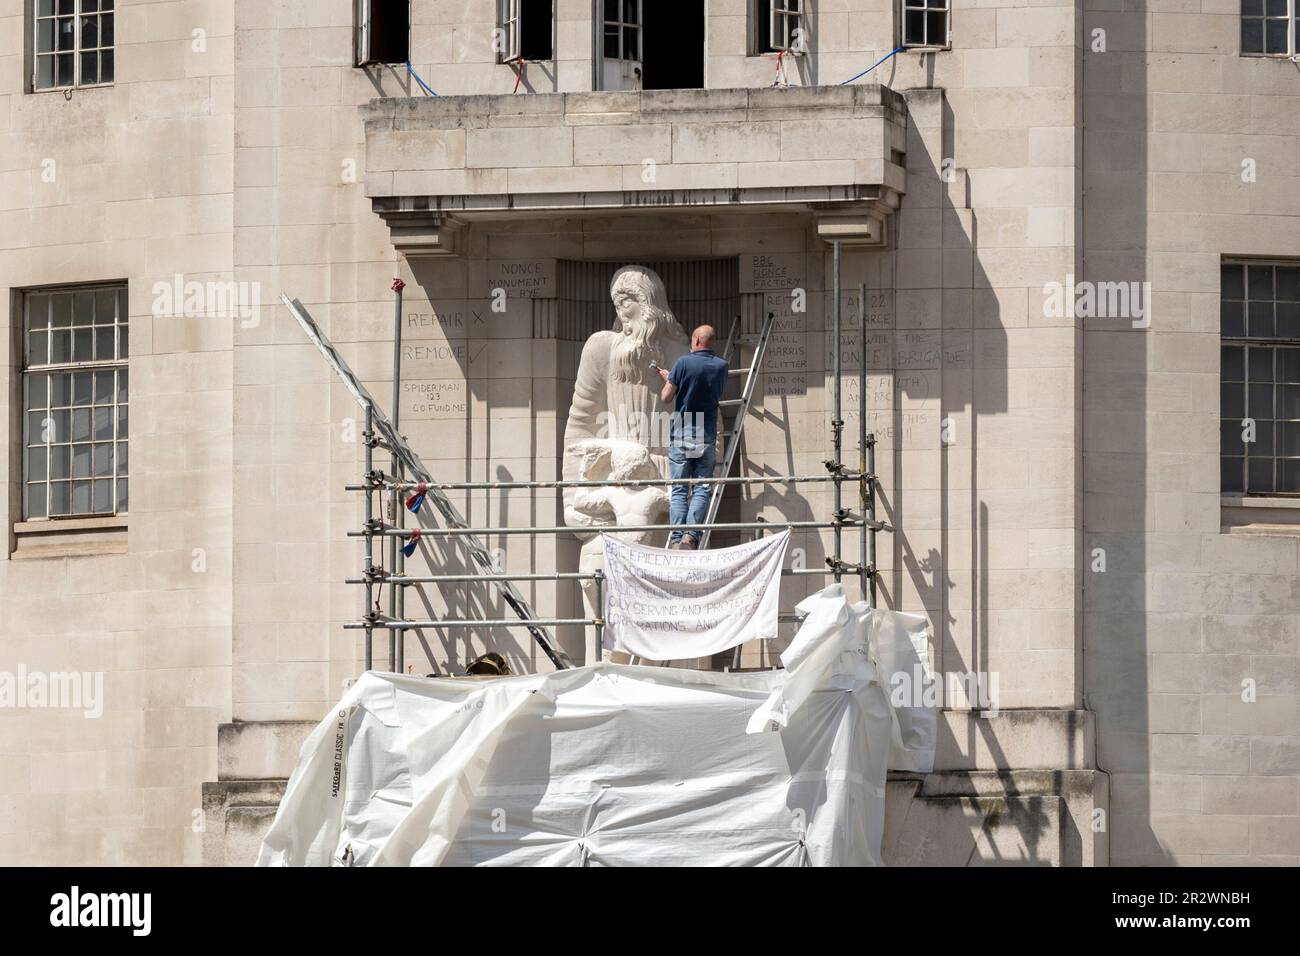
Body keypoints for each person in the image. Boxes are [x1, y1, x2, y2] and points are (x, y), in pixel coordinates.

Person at [658, 325, 729, 549]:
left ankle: (678, 537)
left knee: (680, 488)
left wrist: (670, 379)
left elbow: (666, 397)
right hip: (705, 432)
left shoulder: (682, 363)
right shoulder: (722, 366)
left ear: (697, 340)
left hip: (683, 429)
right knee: (701, 487)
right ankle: (691, 536)